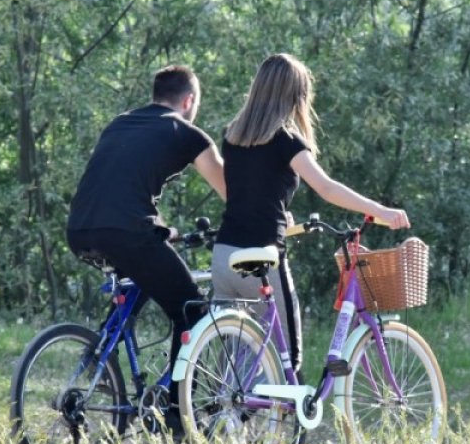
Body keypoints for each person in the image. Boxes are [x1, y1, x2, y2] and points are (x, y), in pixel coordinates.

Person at [211, 53, 409, 378]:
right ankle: (287, 419)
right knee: (287, 356)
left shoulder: (233, 136)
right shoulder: (286, 139)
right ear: (295, 96)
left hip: (223, 257)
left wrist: (280, 215)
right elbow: (327, 188)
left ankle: (226, 415)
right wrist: (380, 211)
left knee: (235, 350)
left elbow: (249, 190)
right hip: (262, 257)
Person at [66, 65, 225, 409]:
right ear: (189, 100)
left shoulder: (120, 123)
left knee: (140, 275)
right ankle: (175, 412)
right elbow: (232, 192)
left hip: (80, 228)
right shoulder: (187, 133)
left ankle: (98, 357)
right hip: (126, 231)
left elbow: (121, 186)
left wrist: (161, 228)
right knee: (192, 308)